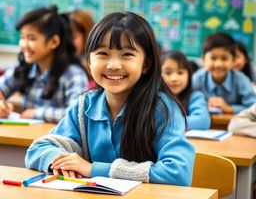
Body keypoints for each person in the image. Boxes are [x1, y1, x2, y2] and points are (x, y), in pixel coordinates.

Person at [25, 11, 195, 186]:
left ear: (146, 64)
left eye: (127, 54)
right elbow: (38, 149)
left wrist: (93, 169)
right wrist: (62, 163)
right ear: (89, 62)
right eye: (103, 54)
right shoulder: (84, 105)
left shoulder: (163, 108)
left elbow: (178, 173)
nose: (113, 65)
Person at [0, 5, 88, 123]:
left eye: (31, 38)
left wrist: (35, 113)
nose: (24, 45)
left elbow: (77, 114)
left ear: (54, 42)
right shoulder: (25, 68)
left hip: (56, 140)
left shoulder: (74, 74)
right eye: (22, 37)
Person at [192, 32, 256, 114]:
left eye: (224, 58)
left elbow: (253, 107)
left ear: (233, 60)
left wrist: (229, 108)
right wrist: (203, 105)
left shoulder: (242, 80)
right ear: (204, 59)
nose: (218, 64)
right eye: (213, 58)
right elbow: (187, 102)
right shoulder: (197, 79)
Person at [161, 50, 210, 130]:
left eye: (180, 73)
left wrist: (163, 123)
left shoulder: (195, 96)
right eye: (168, 72)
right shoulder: (155, 97)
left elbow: (203, 121)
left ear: (189, 75)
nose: (174, 78)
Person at [65, 9, 96, 89]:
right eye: (64, 37)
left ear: (87, 36)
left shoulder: (95, 66)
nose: (68, 42)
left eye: (73, 37)